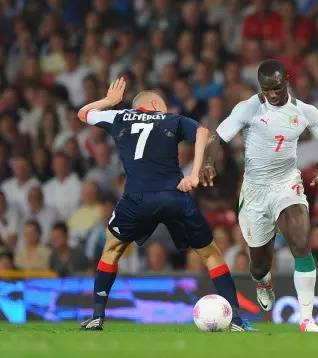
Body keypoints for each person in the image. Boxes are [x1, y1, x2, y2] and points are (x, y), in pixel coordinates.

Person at [76, 78, 254, 331]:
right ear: (153, 104)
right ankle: (235, 319)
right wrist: (194, 173)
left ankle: (97, 316)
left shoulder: (119, 117)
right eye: (161, 104)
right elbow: (203, 131)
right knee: (210, 253)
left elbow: (83, 113)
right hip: (174, 196)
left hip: (136, 198)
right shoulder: (172, 119)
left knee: (112, 249)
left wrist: (109, 101)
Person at [201, 59, 318, 333]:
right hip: (254, 191)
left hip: (287, 184)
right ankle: (263, 282)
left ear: (286, 80)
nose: (273, 94)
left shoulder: (305, 111)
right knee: (259, 264)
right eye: (267, 89)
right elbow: (217, 137)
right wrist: (207, 163)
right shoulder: (248, 108)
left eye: (276, 87)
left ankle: (307, 320)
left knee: (300, 243)